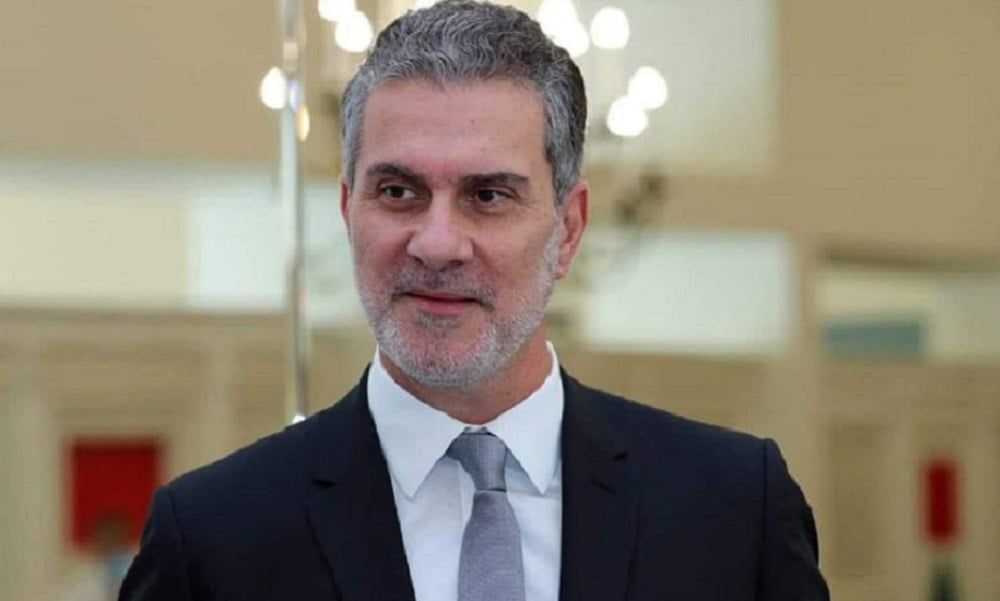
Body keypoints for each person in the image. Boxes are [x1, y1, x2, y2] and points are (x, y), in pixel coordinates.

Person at [119, 1, 829, 600]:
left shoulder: (733, 509)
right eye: (398, 191)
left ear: (569, 229)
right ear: (347, 210)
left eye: (488, 196)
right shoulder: (214, 536)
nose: (436, 244)